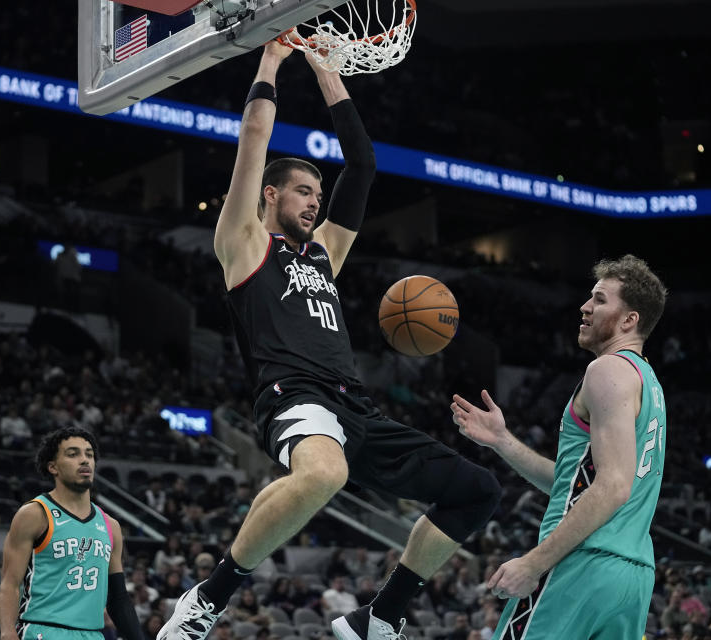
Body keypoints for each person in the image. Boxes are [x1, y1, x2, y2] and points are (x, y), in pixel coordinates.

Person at [159, 42, 501, 640]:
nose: (315, 203)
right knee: (322, 476)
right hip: (293, 397)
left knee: (478, 491)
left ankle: (380, 617)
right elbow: (253, 145)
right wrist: (270, 62)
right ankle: (209, 600)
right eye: (303, 193)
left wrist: (328, 73)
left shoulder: (324, 254)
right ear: (271, 196)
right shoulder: (244, 246)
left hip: (354, 408)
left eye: (318, 196)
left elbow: (363, 167)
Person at [452, 255, 668, 640]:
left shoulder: (606, 371)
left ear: (629, 320)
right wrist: (503, 441)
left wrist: (534, 563)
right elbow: (579, 483)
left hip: (579, 563)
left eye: (600, 300)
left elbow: (613, 486)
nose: (585, 307)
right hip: (632, 576)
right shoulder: (647, 381)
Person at [0, 427, 143, 640]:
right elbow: (10, 583)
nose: (84, 460)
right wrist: (8, 632)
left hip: (92, 634)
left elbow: (118, 598)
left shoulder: (111, 526)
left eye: (89, 454)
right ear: (53, 467)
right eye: (73, 454)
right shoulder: (35, 514)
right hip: (42, 630)